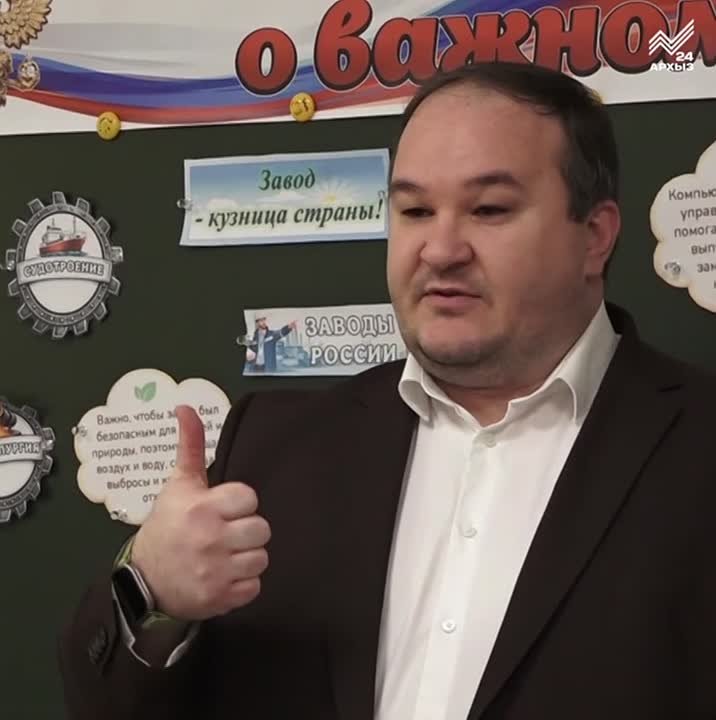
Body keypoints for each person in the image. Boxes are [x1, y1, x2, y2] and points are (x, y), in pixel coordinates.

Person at [58, 61, 716, 720]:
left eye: (489, 209)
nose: (441, 249)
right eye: (415, 210)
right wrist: (151, 592)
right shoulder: (275, 448)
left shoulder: (696, 446)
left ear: (595, 237)